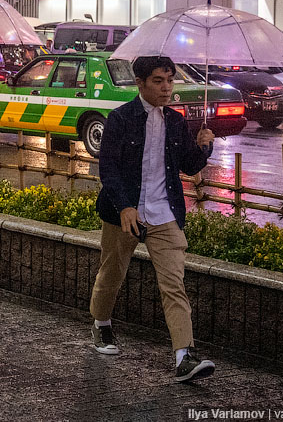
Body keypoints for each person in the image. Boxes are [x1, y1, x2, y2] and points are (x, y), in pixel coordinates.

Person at [90, 55, 216, 383]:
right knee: (112, 273)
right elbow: (108, 168)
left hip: (164, 213)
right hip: (124, 214)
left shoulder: (175, 122)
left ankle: (184, 356)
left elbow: (189, 166)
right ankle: (101, 324)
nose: (166, 87)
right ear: (141, 83)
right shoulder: (120, 119)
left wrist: (205, 148)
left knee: (174, 284)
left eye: (170, 81)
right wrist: (124, 206)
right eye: (158, 81)